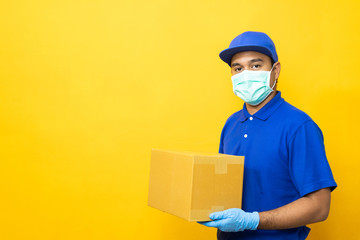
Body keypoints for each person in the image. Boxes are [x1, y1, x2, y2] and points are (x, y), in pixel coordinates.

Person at [198, 31, 337, 240]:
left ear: (275, 70)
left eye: (255, 66)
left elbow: (319, 207)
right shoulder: (231, 124)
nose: (245, 74)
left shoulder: (299, 126)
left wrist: (252, 220)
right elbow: (223, 187)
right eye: (238, 68)